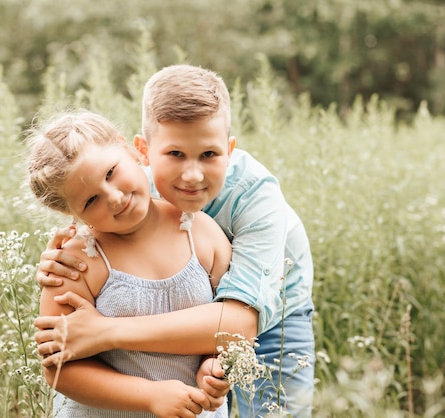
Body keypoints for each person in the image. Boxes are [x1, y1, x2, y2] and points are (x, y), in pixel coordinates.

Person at [35, 64, 315, 417]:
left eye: (209, 155)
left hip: (271, 313)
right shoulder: (126, 190)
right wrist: (60, 258)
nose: (192, 175)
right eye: (175, 154)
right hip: (188, 332)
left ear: (229, 149)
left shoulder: (255, 198)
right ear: (143, 151)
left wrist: (214, 361)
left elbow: (238, 326)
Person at [26, 109, 235, 417]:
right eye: (90, 201)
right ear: (71, 212)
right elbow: (60, 371)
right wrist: (150, 396)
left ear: (129, 150)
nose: (112, 197)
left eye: (110, 173)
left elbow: (230, 324)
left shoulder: (201, 233)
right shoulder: (74, 264)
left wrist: (214, 364)